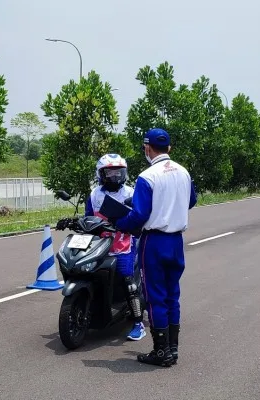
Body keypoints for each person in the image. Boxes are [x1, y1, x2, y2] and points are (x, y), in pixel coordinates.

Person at [115, 128, 197, 367]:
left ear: (147, 148)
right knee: (173, 295)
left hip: (154, 241)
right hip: (176, 242)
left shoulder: (147, 176)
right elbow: (191, 200)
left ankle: (160, 352)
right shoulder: (184, 172)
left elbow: (139, 215)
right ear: (169, 148)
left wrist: (120, 223)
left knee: (155, 298)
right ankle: (172, 349)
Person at [85, 153, 146, 341]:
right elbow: (88, 216)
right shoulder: (94, 194)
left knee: (127, 280)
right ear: (100, 175)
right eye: (109, 174)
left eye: (118, 173)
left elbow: (139, 217)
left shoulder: (130, 193)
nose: (114, 177)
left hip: (123, 244)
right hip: (98, 244)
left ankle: (138, 323)